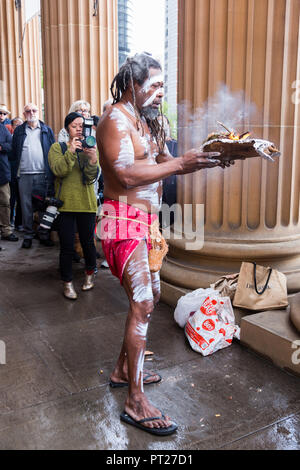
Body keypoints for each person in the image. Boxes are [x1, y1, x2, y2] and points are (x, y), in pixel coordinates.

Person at [96, 52, 232, 436]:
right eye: (153, 86)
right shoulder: (114, 120)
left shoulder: (150, 122)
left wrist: (207, 157)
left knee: (151, 297)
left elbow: (166, 161)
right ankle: (135, 401)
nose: (160, 94)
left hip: (148, 224)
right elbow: (124, 174)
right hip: (120, 221)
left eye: (162, 87)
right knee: (142, 300)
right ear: (131, 85)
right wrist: (180, 164)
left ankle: (124, 370)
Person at [48, 112, 100, 300]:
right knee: (67, 246)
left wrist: (92, 159)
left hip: (86, 204)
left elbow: (90, 178)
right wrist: (70, 151)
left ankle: (89, 276)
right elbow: (59, 171)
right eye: (74, 126)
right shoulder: (57, 147)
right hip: (65, 205)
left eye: (82, 126)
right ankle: (67, 282)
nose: (79, 129)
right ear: (67, 128)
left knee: (88, 244)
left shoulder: (91, 147)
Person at [11, 103, 55, 248]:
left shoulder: (47, 130)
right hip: (24, 175)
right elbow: (14, 153)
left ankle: (44, 235)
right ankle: (28, 236)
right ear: (24, 114)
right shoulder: (19, 131)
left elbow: (52, 152)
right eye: (28, 111)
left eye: (34, 110)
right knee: (26, 207)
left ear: (38, 112)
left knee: (44, 206)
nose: (31, 113)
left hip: (43, 175)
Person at [0, 115, 19, 245]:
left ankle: (6, 231)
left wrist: (1, 147)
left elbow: (11, 146)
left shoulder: (2, 129)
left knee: (5, 203)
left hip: (2, 172)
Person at [9, 117, 24, 230]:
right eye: (16, 125)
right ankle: (10, 221)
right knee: (11, 199)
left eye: (20, 124)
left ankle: (19, 223)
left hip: (22, 173)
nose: (18, 126)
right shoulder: (9, 139)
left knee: (21, 199)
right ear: (12, 127)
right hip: (11, 173)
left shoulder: (25, 139)